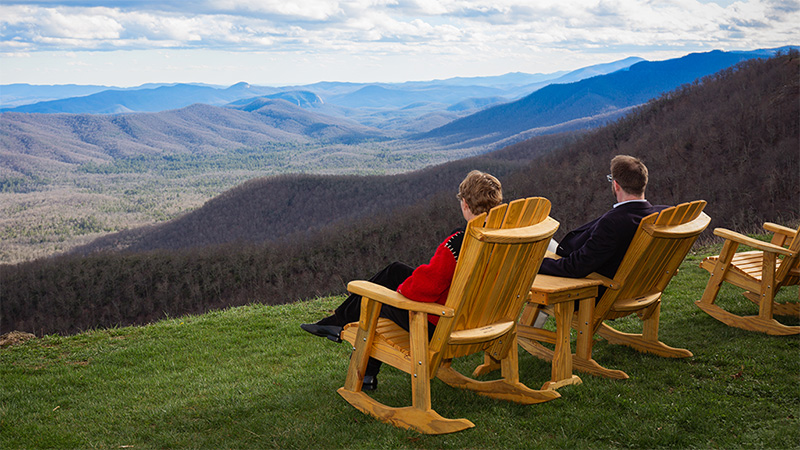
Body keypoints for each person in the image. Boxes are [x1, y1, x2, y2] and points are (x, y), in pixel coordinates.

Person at [300, 170, 503, 390]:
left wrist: (399, 289)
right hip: (479, 316)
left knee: (375, 298)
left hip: (441, 323)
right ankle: (339, 325)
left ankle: (343, 335)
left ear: (465, 204)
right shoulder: (507, 238)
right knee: (394, 270)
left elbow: (421, 290)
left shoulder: (458, 244)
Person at [539, 154, 666, 291]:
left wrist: (535, 265)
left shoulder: (613, 224)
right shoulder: (660, 215)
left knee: (543, 244)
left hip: (595, 291)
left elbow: (576, 267)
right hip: (636, 288)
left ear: (616, 185)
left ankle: (537, 309)